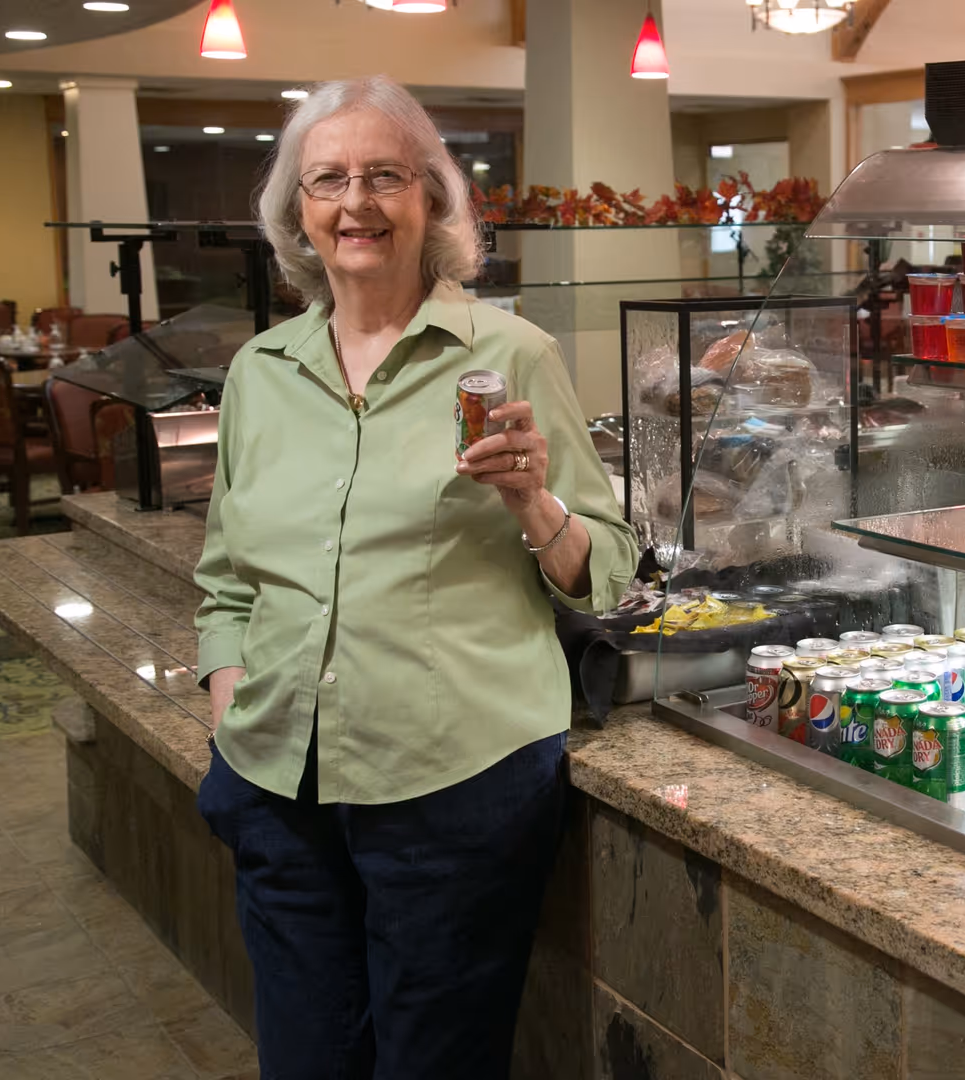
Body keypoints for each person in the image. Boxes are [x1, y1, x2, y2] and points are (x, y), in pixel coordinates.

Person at [192, 75, 635, 1079]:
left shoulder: (510, 355)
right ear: (298, 213)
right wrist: (228, 689)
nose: (356, 203)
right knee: (305, 1058)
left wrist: (535, 505)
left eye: (385, 176)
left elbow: (603, 574)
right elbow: (225, 572)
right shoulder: (262, 373)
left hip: (455, 782)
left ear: (431, 200)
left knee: (435, 1062)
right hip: (276, 775)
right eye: (329, 180)